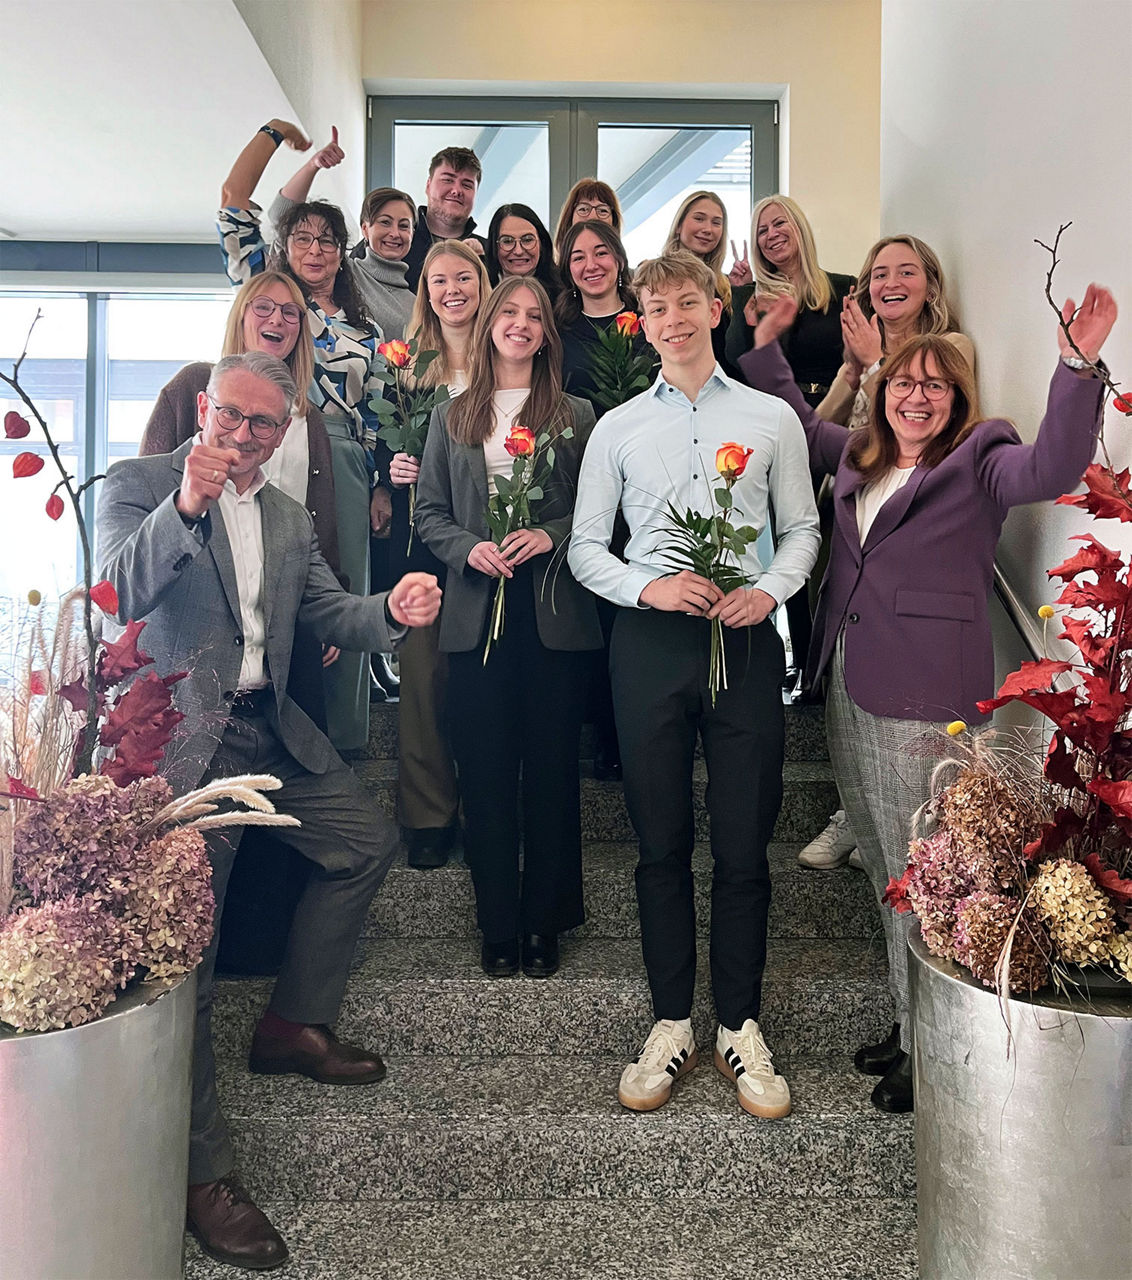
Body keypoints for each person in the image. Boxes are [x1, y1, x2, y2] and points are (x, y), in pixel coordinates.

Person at [96, 351, 442, 1271]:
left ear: (284, 433)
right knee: (189, 959)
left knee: (367, 844)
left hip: (270, 733)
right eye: (232, 418)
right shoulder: (137, 484)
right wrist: (188, 510)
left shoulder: (288, 519)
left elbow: (335, 616)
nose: (244, 437)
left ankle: (293, 1023)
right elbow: (113, 600)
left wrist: (395, 610)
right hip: (177, 749)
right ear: (203, 410)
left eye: (263, 426)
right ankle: (201, 1173)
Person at [739, 282, 1116, 1114]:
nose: (917, 396)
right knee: (884, 866)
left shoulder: (980, 456)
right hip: (849, 677)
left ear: (957, 400)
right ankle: (912, 1028)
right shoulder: (862, 454)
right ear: (884, 388)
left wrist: (1075, 364)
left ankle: (935, 1049)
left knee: (929, 876)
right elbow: (796, 427)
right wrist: (766, 342)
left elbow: (1053, 466)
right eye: (905, 382)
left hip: (925, 694)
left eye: (935, 385)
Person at [569, 251, 820, 1119]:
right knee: (660, 843)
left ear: (716, 306)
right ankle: (673, 1019)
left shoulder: (771, 417)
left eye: (688, 301)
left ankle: (739, 1026)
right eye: (657, 306)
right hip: (649, 641)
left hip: (744, 642)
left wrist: (769, 592)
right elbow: (585, 548)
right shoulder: (618, 427)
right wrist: (650, 587)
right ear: (641, 319)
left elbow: (802, 530)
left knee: (746, 844)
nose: (674, 318)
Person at [414, 276, 601, 979]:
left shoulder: (577, 414)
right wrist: (469, 548)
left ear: (547, 335)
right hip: (474, 609)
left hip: (552, 611)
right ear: (490, 324)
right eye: (510, 314)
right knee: (486, 775)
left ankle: (543, 924)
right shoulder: (452, 416)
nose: (521, 325)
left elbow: (594, 510)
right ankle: (497, 923)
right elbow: (429, 513)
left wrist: (550, 534)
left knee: (551, 774)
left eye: (534, 317)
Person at [217, 119, 388, 752]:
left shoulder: (364, 333)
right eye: (304, 238)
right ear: (287, 247)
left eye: (328, 241)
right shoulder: (272, 298)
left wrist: (379, 488)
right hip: (266, 439)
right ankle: (254, 725)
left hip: (342, 462)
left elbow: (374, 415)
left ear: (344, 253)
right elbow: (236, 202)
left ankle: (339, 739)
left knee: (339, 592)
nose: (315, 250)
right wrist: (285, 144)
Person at [378, 240, 491, 868]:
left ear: (482, 283)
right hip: (422, 542)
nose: (453, 289)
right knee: (422, 679)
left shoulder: (504, 354)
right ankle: (426, 812)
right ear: (426, 290)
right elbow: (377, 444)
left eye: (465, 278)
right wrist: (390, 468)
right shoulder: (405, 366)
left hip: (489, 540)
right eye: (440, 279)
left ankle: (484, 805)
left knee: (479, 682)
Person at [726, 195, 857, 724]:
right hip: (784, 431)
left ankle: (831, 670)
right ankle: (804, 669)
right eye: (761, 230)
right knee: (793, 539)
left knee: (833, 540)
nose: (771, 234)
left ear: (799, 226)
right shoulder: (759, 297)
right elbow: (738, 357)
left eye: (779, 222)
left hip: (840, 422)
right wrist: (739, 297)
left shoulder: (847, 288)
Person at [554, 220, 656, 782]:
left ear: (619, 258)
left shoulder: (648, 325)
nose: (590, 264)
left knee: (635, 615)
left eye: (600, 253)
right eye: (577, 257)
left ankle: (636, 732)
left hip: (646, 488)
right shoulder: (560, 332)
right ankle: (603, 732)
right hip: (583, 486)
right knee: (594, 613)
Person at [662, 190, 736, 373]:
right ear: (678, 226)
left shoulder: (725, 285)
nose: (708, 229)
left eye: (716, 222)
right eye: (699, 219)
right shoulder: (660, 279)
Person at [403, 146, 488, 290]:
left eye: (467, 185)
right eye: (448, 180)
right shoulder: (396, 242)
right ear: (428, 186)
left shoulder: (489, 253)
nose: (456, 191)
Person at [484, 202, 560, 299]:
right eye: (507, 241)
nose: (518, 251)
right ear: (494, 247)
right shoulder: (480, 292)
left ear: (542, 244)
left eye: (527, 240)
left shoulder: (565, 294)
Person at [553, 178, 623, 266]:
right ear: (569, 219)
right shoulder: (551, 278)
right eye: (583, 209)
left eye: (602, 210)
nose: (593, 217)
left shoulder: (631, 277)